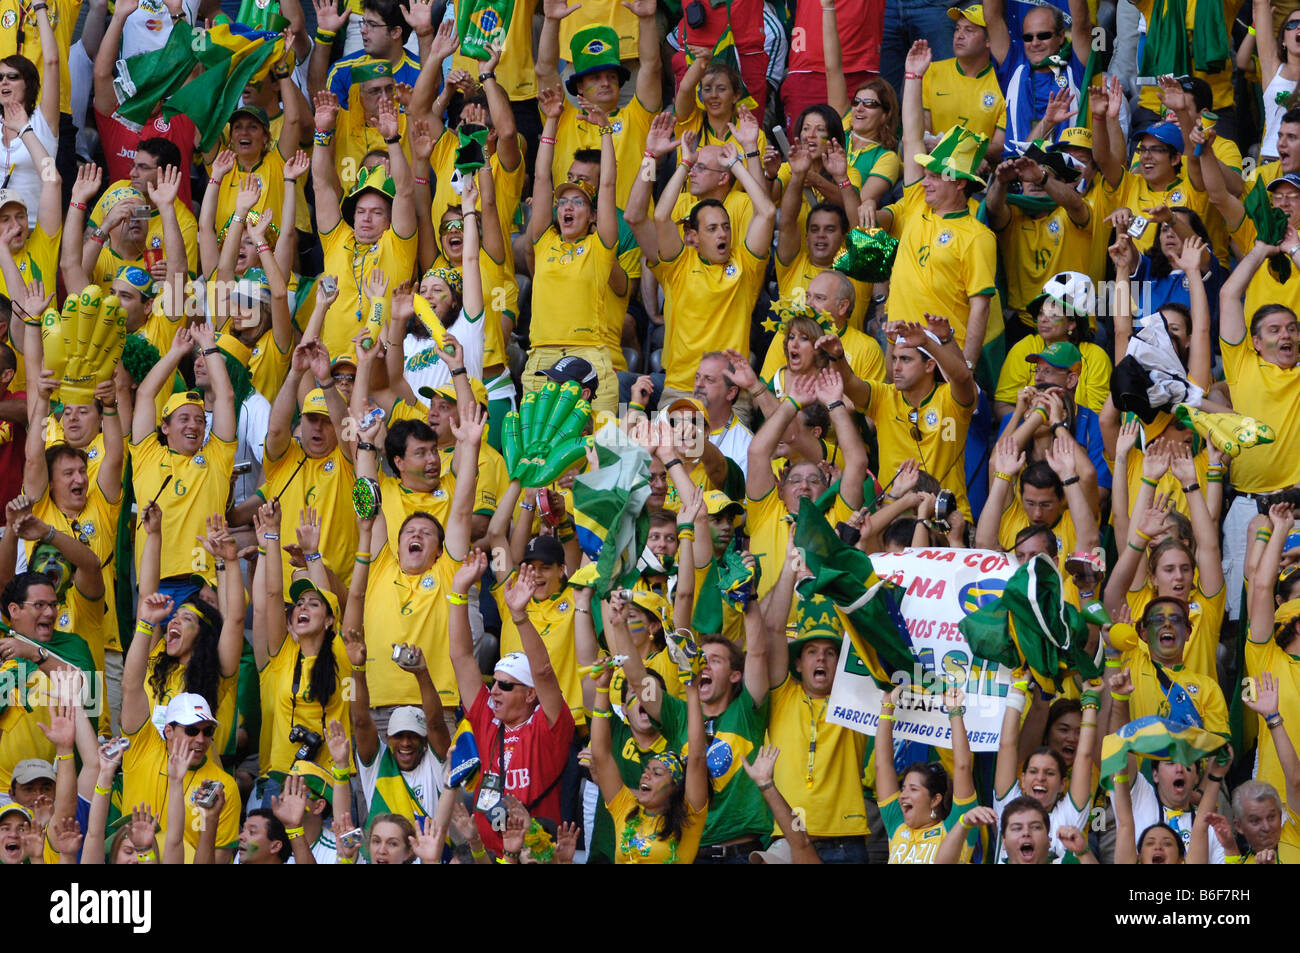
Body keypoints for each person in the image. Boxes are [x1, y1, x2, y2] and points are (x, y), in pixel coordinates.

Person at [866, 41, 996, 371]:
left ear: (960, 181)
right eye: (925, 173)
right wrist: (912, 76)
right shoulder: (917, 203)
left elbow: (980, 308)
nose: (925, 181)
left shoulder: (978, 236)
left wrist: (965, 367)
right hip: (897, 352)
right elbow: (911, 137)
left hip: (942, 363)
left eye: (936, 175)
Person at [448, 552, 575, 855]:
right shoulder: (487, 718)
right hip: (486, 856)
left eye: (506, 685)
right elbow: (462, 657)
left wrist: (519, 615)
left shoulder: (549, 728)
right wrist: (458, 592)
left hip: (535, 856)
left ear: (531, 694)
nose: (493, 692)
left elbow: (543, 672)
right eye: (493, 683)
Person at [588, 646, 709, 863]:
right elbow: (602, 755)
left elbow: (697, 756)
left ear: (676, 788)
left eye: (657, 773)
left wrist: (692, 690)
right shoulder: (625, 808)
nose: (645, 776)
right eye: (646, 771)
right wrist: (602, 690)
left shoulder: (690, 817)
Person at [992, 675, 1098, 861]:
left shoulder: (1067, 818)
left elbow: (1084, 755)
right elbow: (1007, 746)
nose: (1040, 778)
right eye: (1033, 771)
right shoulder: (1008, 805)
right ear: (1023, 778)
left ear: (1063, 784)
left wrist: (1090, 702)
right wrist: (1017, 689)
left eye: (1050, 773)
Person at [875, 684, 979, 863]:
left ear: (935, 799)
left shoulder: (955, 828)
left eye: (913, 789)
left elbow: (962, 766)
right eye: (904, 788)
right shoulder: (897, 826)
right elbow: (882, 766)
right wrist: (887, 706)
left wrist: (954, 711)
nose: (902, 796)